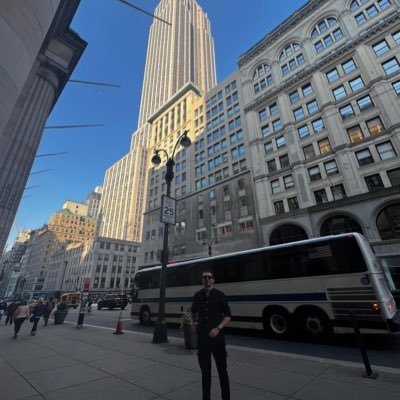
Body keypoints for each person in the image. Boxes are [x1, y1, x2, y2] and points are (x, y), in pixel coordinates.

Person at [191, 271, 231, 400]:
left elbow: (228, 316)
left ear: (213, 280)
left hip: (217, 340)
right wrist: (193, 323)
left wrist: (218, 328)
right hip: (202, 340)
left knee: (222, 372)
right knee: (205, 372)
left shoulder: (220, 295)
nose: (207, 279)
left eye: (209, 277)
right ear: (202, 280)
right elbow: (193, 311)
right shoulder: (197, 295)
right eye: (204, 277)